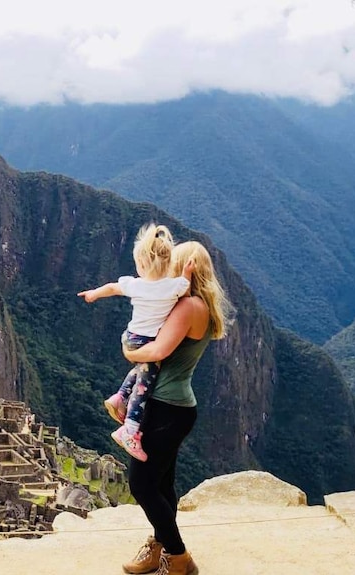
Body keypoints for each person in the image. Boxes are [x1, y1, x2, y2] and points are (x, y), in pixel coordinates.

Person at [119, 240, 232, 575]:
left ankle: (178, 556)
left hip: (167, 409)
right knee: (162, 484)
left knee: (141, 484)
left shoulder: (188, 308)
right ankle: (159, 546)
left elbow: (156, 351)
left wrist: (130, 353)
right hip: (173, 407)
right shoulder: (202, 306)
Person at [78, 223, 191, 461]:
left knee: (140, 369)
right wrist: (187, 272)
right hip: (150, 344)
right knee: (144, 386)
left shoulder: (134, 284)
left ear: (140, 263)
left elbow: (111, 287)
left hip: (131, 338)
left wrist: (93, 293)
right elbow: (186, 286)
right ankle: (129, 430)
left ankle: (118, 397)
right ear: (168, 263)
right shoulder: (173, 287)